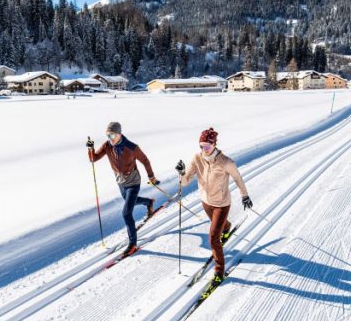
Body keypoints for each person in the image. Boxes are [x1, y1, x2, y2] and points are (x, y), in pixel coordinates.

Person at [176, 127, 252, 285]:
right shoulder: (197, 158)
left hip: (222, 204)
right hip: (206, 202)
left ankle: (219, 270)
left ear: (214, 145)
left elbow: (238, 178)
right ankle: (226, 227)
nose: (204, 149)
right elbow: (186, 181)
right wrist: (182, 173)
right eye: (201, 146)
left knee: (213, 238)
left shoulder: (226, 162)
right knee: (219, 227)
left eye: (207, 146)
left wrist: (244, 195)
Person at [87, 121, 159, 256]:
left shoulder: (132, 147)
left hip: (133, 181)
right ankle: (149, 202)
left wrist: (152, 177)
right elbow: (93, 159)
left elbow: (145, 161)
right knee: (129, 200)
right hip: (120, 182)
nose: (110, 139)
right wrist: (90, 149)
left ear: (120, 134)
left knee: (126, 213)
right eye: (108, 136)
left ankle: (133, 244)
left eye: (113, 135)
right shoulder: (107, 146)